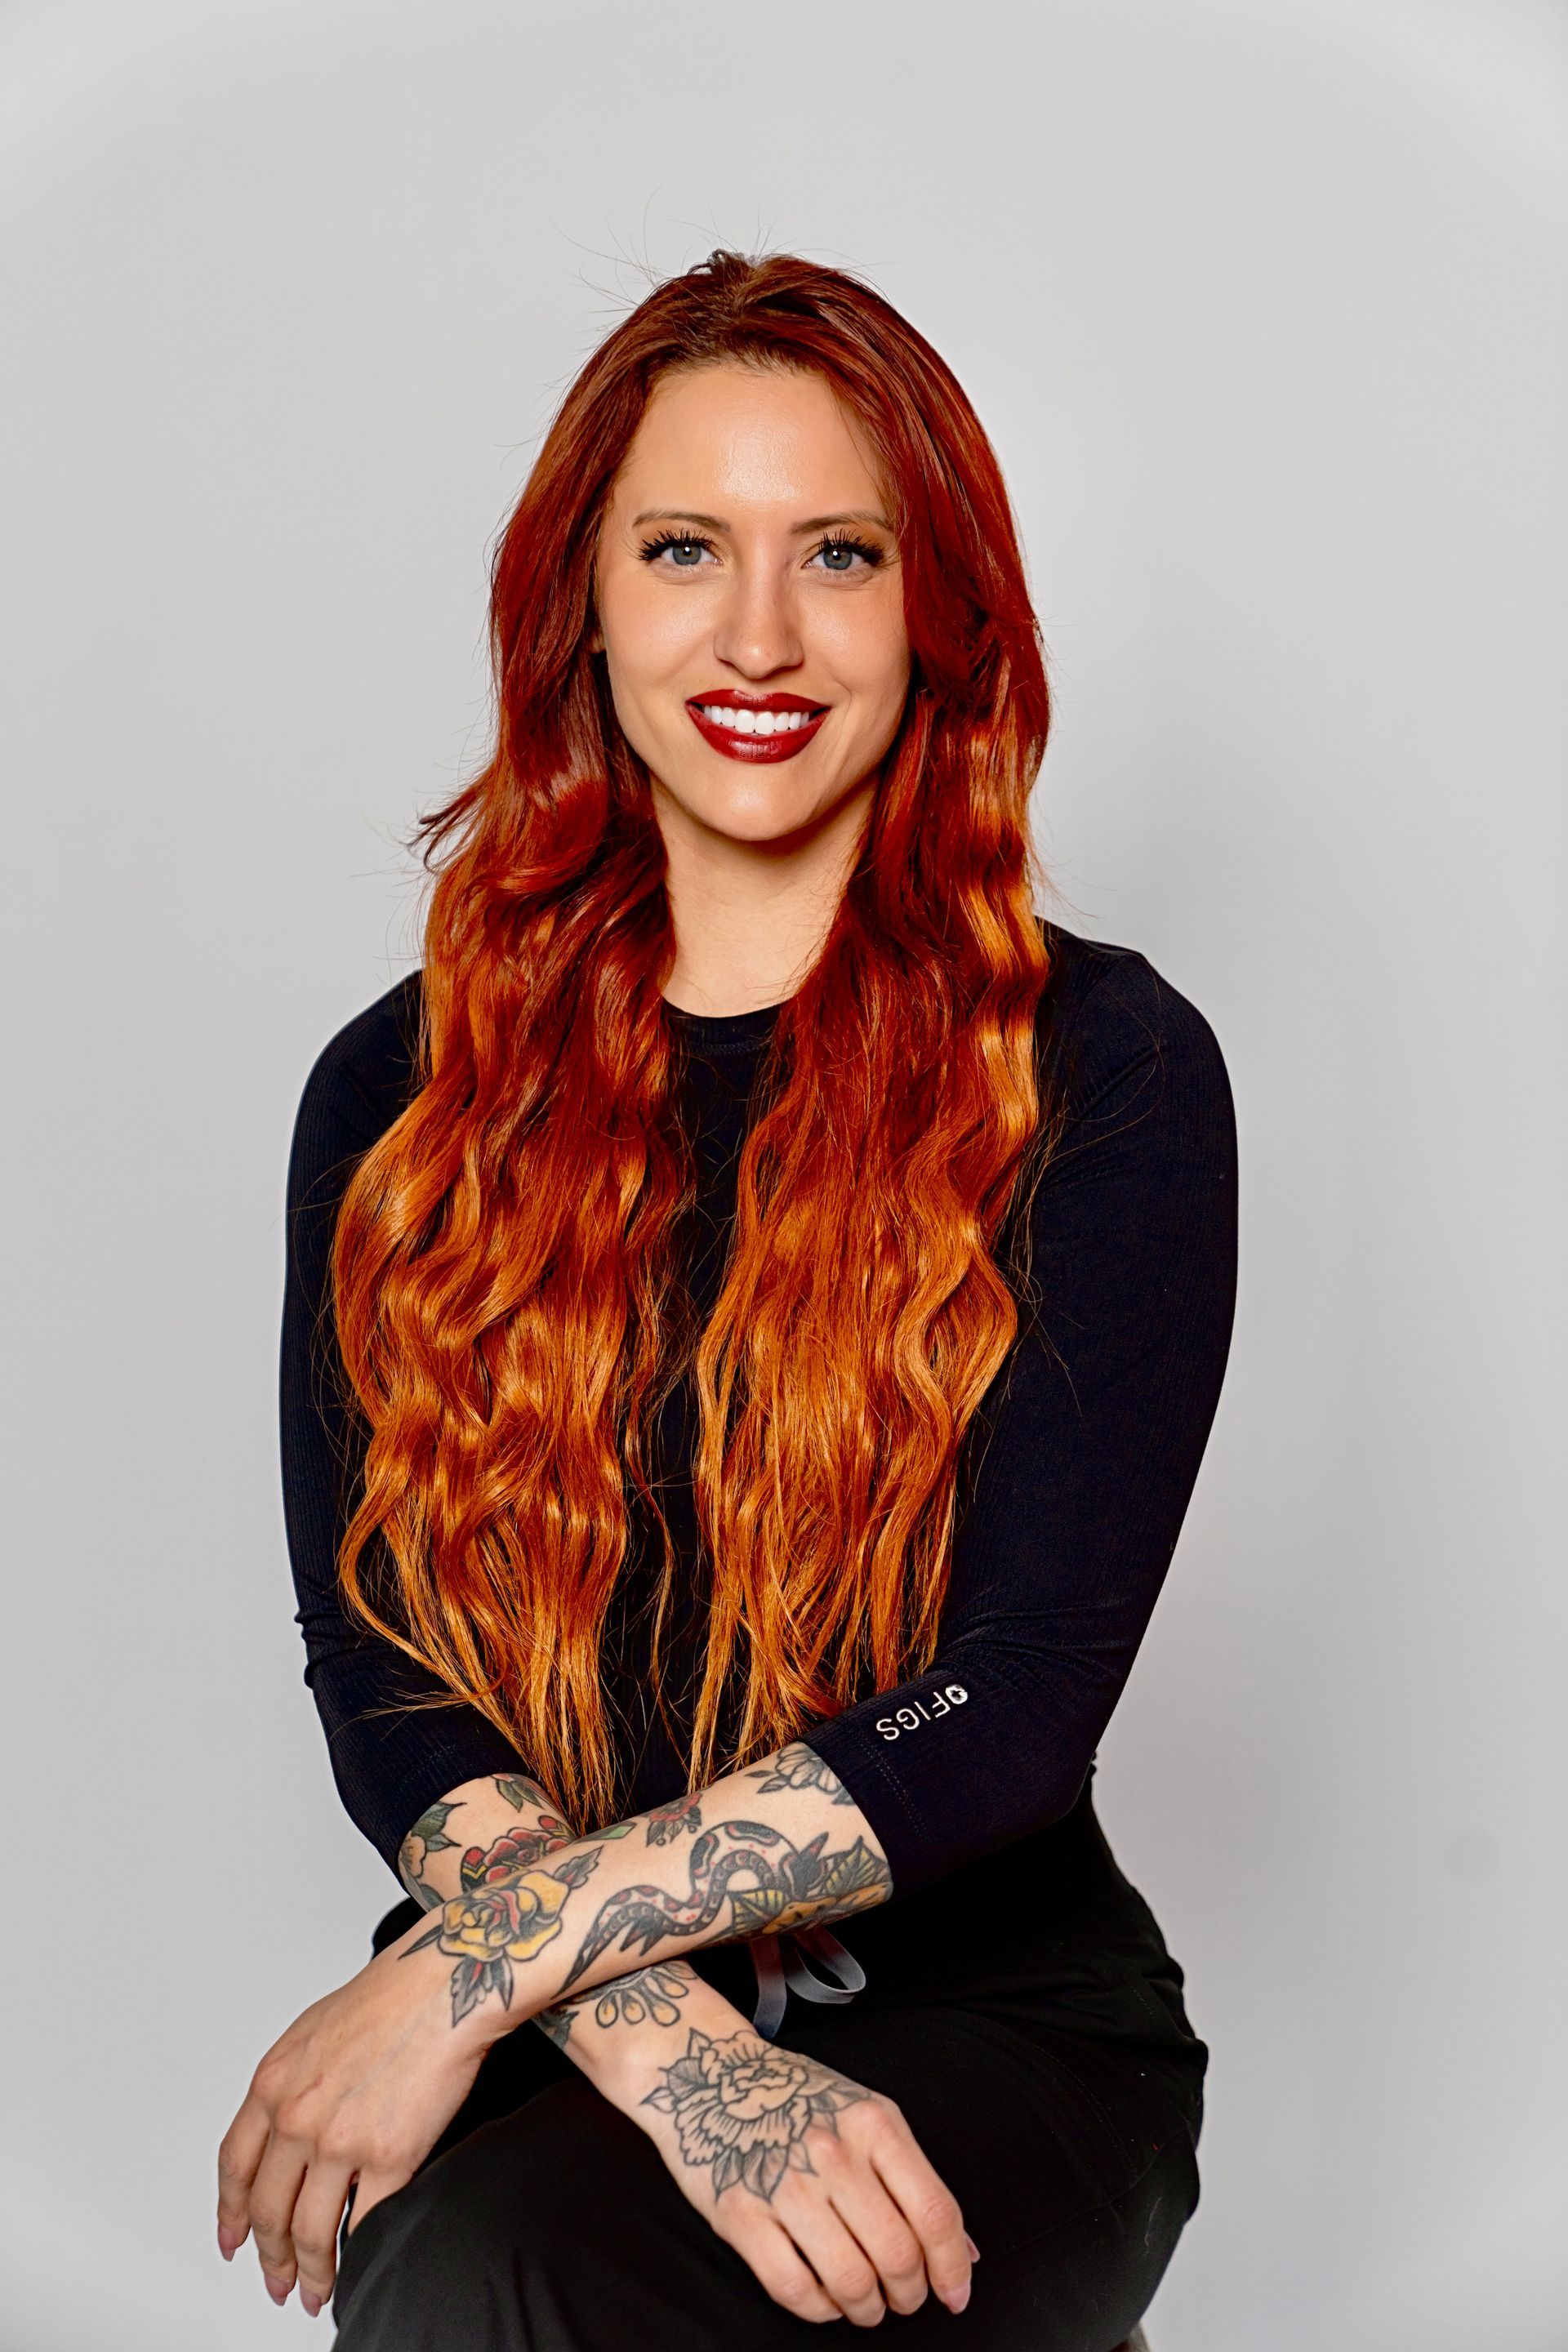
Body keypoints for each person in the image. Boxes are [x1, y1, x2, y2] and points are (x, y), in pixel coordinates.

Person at [216, 249, 1237, 2350]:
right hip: (575, 2020)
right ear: (580, 605)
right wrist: (669, 2057)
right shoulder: (393, 1098)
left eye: (838, 555)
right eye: (685, 549)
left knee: (542, 2279)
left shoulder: (1107, 1071)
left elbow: (1012, 1706)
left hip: (1006, 2021)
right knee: (460, 2270)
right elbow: (387, 1673)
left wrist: (465, 1967)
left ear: (936, 614)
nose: (759, 636)